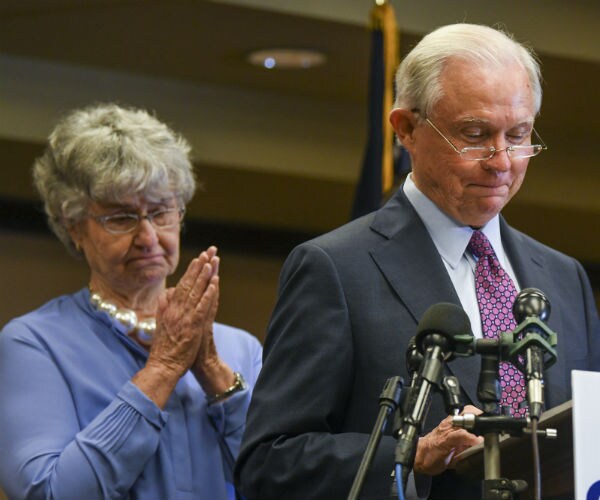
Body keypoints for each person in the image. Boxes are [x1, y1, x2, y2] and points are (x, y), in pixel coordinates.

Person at [235, 23, 600, 499]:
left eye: (519, 134)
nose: (502, 161)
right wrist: (412, 457)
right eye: (475, 135)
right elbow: (269, 463)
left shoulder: (564, 277)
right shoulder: (336, 269)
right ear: (406, 128)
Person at [0, 104, 262, 499]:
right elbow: (49, 494)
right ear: (74, 228)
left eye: (160, 212)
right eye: (121, 218)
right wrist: (163, 368)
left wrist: (212, 373)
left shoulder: (239, 350)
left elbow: (280, 484)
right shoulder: (33, 344)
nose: (149, 237)